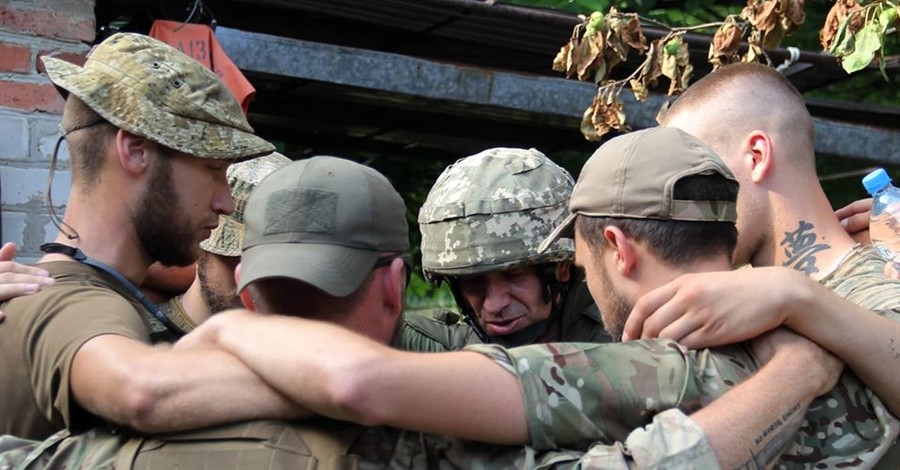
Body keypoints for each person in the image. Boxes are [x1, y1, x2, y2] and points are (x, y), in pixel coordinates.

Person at [175, 128, 844, 468]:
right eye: (473, 285)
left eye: (512, 278)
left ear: (565, 269)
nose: (492, 304)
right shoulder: (443, 340)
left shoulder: (637, 348)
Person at [0, 32, 305, 441]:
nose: (225, 202)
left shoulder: (70, 295)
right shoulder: (78, 306)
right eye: (213, 171)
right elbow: (142, 391)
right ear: (135, 151)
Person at [624, 62, 900, 466]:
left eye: (693, 173)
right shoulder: (727, 301)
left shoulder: (883, 280)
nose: (679, 201)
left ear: (756, 155)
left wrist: (796, 296)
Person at [404, 147, 608, 351]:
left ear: (561, 268)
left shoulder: (623, 343)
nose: (495, 305)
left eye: (514, 275)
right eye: (473, 280)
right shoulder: (450, 347)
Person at [155, 152, 291, 333]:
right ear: (203, 238)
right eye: (241, 255)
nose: (255, 275)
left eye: (275, 263)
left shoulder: (289, 352)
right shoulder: (131, 336)